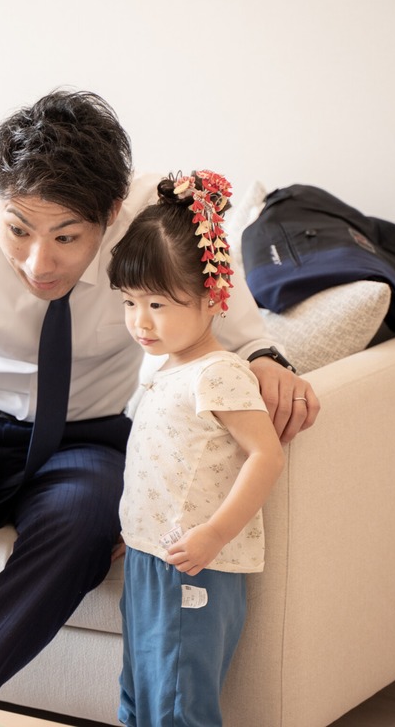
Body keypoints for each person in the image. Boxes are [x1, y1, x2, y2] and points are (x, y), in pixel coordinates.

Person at [0, 90, 319, 704]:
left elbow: (233, 322)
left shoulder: (156, 218)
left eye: (67, 236)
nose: (39, 261)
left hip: (87, 431)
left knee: (87, 518)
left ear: (110, 213)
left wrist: (267, 361)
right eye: (18, 229)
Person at [107, 170, 287, 726]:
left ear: (213, 298)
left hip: (194, 566)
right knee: (140, 692)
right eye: (130, 302)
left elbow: (266, 455)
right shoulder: (164, 370)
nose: (141, 321)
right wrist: (132, 531)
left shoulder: (221, 373)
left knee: (180, 704)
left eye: (158, 304)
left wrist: (215, 533)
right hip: (147, 557)